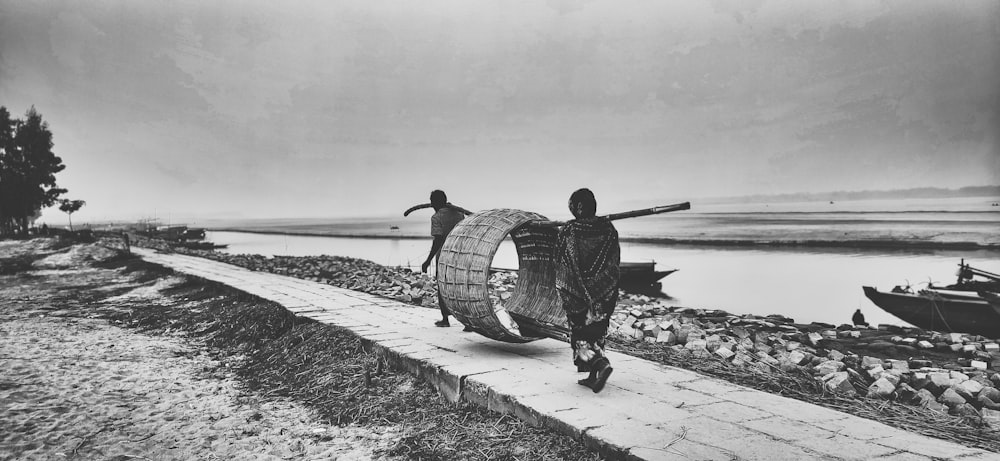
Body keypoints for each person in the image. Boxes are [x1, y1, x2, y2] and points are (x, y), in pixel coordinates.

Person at [554, 188, 619, 393]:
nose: (571, 209)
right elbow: (614, 262)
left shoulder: (569, 230)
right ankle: (593, 376)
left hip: (577, 296)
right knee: (597, 332)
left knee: (580, 336)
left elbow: (560, 260)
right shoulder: (608, 229)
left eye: (572, 205)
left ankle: (600, 364)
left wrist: (568, 288)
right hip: (605, 292)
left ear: (579, 207)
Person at [420, 190, 466, 328]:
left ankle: (445, 319)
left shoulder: (436, 217)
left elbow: (438, 239)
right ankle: (467, 322)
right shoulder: (459, 214)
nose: (432, 205)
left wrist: (428, 261)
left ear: (435, 203)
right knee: (459, 287)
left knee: (442, 286)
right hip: (459, 255)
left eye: (432, 202)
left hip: (444, 257)